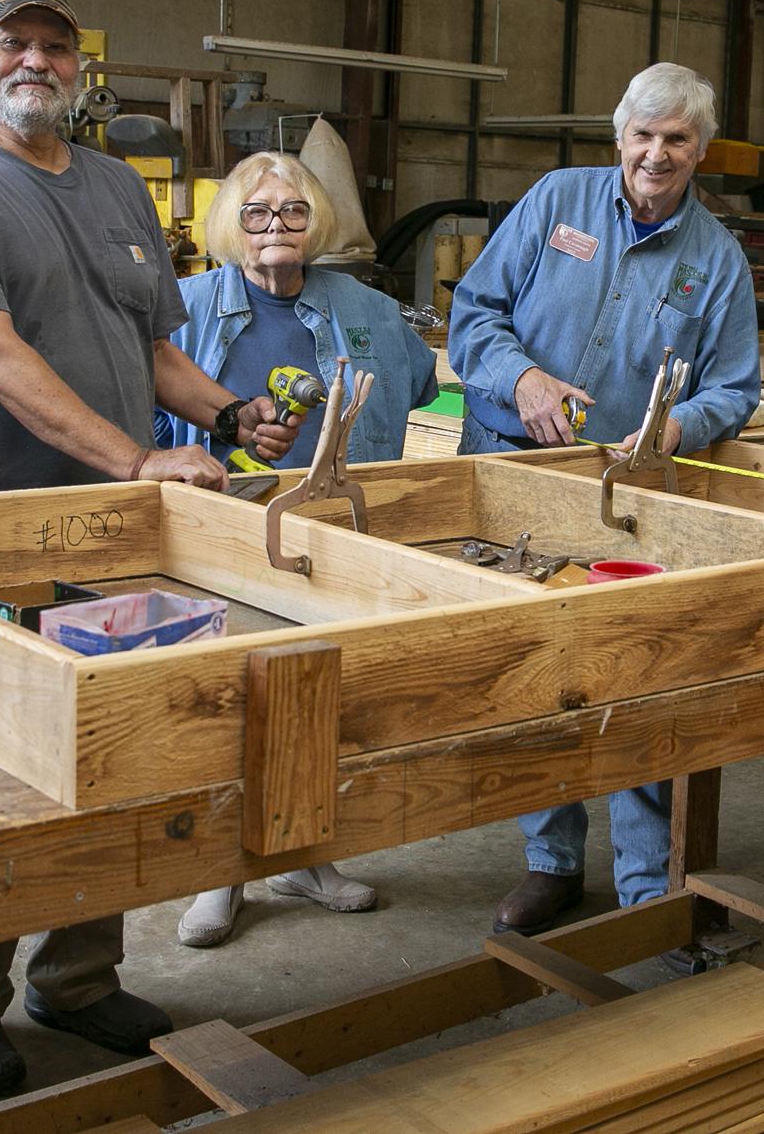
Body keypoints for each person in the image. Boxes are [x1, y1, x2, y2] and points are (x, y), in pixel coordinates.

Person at [0, 0, 300, 1098]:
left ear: (79, 67)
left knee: (119, 755)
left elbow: (154, 344)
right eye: (11, 41)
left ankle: (76, 977)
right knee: (1, 772)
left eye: (55, 47)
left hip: (123, 529)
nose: (35, 61)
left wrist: (224, 414)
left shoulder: (116, 186)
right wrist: (134, 455)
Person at [448, 61, 761, 936]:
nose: (657, 155)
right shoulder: (556, 203)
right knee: (532, 679)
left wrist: (675, 428)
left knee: (635, 681)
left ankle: (646, 888)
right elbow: (474, 314)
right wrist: (525, 383)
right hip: (512, 474)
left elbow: (734, 388)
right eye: (643, 136)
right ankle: (550, 863)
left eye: (678, 140)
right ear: (618, 137)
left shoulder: (717, 260)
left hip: (624, 499)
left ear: (701, 151)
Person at [159, 150, 439, 946]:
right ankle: (222, 874)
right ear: (230, 227)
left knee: (324, 698)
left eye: (292, 212)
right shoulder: (187, 306)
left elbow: (416, 385)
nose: (275, 227)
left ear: (316, 223)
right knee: (225, 700)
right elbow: (150, 418)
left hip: (334, 532)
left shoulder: (367, 308)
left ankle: (307, 857)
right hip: (224, 532)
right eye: (256, 213)